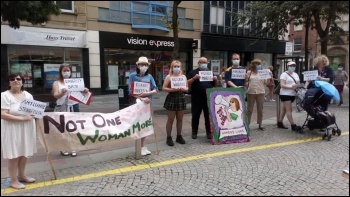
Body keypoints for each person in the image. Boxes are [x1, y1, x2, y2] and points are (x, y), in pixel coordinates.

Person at [1, 73, 37, 189]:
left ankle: (22, 176)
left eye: (18, 79)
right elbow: (3, 114)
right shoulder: (4, 96)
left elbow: (34, 111)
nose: (15, 81)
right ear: (9, 82)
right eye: (12, 79)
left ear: (22, 82)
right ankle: (13, 180)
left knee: (24, 153)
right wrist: (22, 118)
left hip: (26, 128)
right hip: (12, 129)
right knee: (14, 155)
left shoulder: (28, 95)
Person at [52, 63, 89, 157]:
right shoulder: (57, 83)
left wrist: (85, 90)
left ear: (71, 72)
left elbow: (83, 93)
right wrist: (62, 93)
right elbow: (55, 95)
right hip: (62, 107)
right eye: (64, 70)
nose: (66, 72)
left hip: (74, 106)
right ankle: (63, 147)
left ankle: (73, 147)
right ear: (60, 72)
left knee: (74, 127)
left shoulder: (75, 82)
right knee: (63, 128)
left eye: (68, 70)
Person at [128, 56, 158, 156]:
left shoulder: (149, 77)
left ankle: (142, 146)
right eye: (142, 64)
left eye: (145, 65)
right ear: (138, 65)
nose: (143, 66)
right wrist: (141, 98)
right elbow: (130, 91)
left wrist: (147, 94)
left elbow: (156, 89)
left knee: (145, 125)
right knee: (138, 125)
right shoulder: (132, 76)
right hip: (137, 104)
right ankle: (138, 147)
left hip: (147, 103)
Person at [187, 57, 218, 139]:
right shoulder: (193, 72)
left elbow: (215, 85)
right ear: (198, 63)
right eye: (201, 62)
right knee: (195, 115)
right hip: (196, 97)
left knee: (207, 116)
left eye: (205, 62)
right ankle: (194, 131)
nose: (203, 64)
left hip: (208, 98)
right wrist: (194, 78)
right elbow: (186, 83)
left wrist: (215, 80)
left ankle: (208, 131)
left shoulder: (210, 72)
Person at [162, 60, 188, 146]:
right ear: (172, 68)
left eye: (178, 66)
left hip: (181, 98)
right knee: (170, 119)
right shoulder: (169, 77)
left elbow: (187, 88)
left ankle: (179, 136)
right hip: (172, 98)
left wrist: (184, 89)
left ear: (181, 68)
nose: (176, 68)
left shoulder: (183, 77)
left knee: (180, 119)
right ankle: (168, 138)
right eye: (175, 66)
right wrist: (173, 90)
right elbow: (164, 88)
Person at [245, 59, 273, 131]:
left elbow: (266, 83)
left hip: (260, 92)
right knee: (249, 109)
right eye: (257, 64)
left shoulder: (262, 73)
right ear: (254, 65)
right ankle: (247, 124)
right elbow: (246, 84)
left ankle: (260, 124)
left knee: (260, 109)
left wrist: (269, 78)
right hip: (251, 92)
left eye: (260, 64)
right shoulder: (249, 72)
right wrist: (246, 80)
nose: (259, 66)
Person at [277, 61, 302, 132]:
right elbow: (282, 85)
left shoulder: (296, 74)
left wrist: (297, 85)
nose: (293, 67)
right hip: (285, 94)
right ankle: (293, 125)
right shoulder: (284, 74)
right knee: (289, 109)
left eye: (294, 66)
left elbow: (298, 83)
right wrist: (291, 87)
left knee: (284, 109)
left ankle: (280, 122)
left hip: (292, 94)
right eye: (291, 66)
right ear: (287, 66)